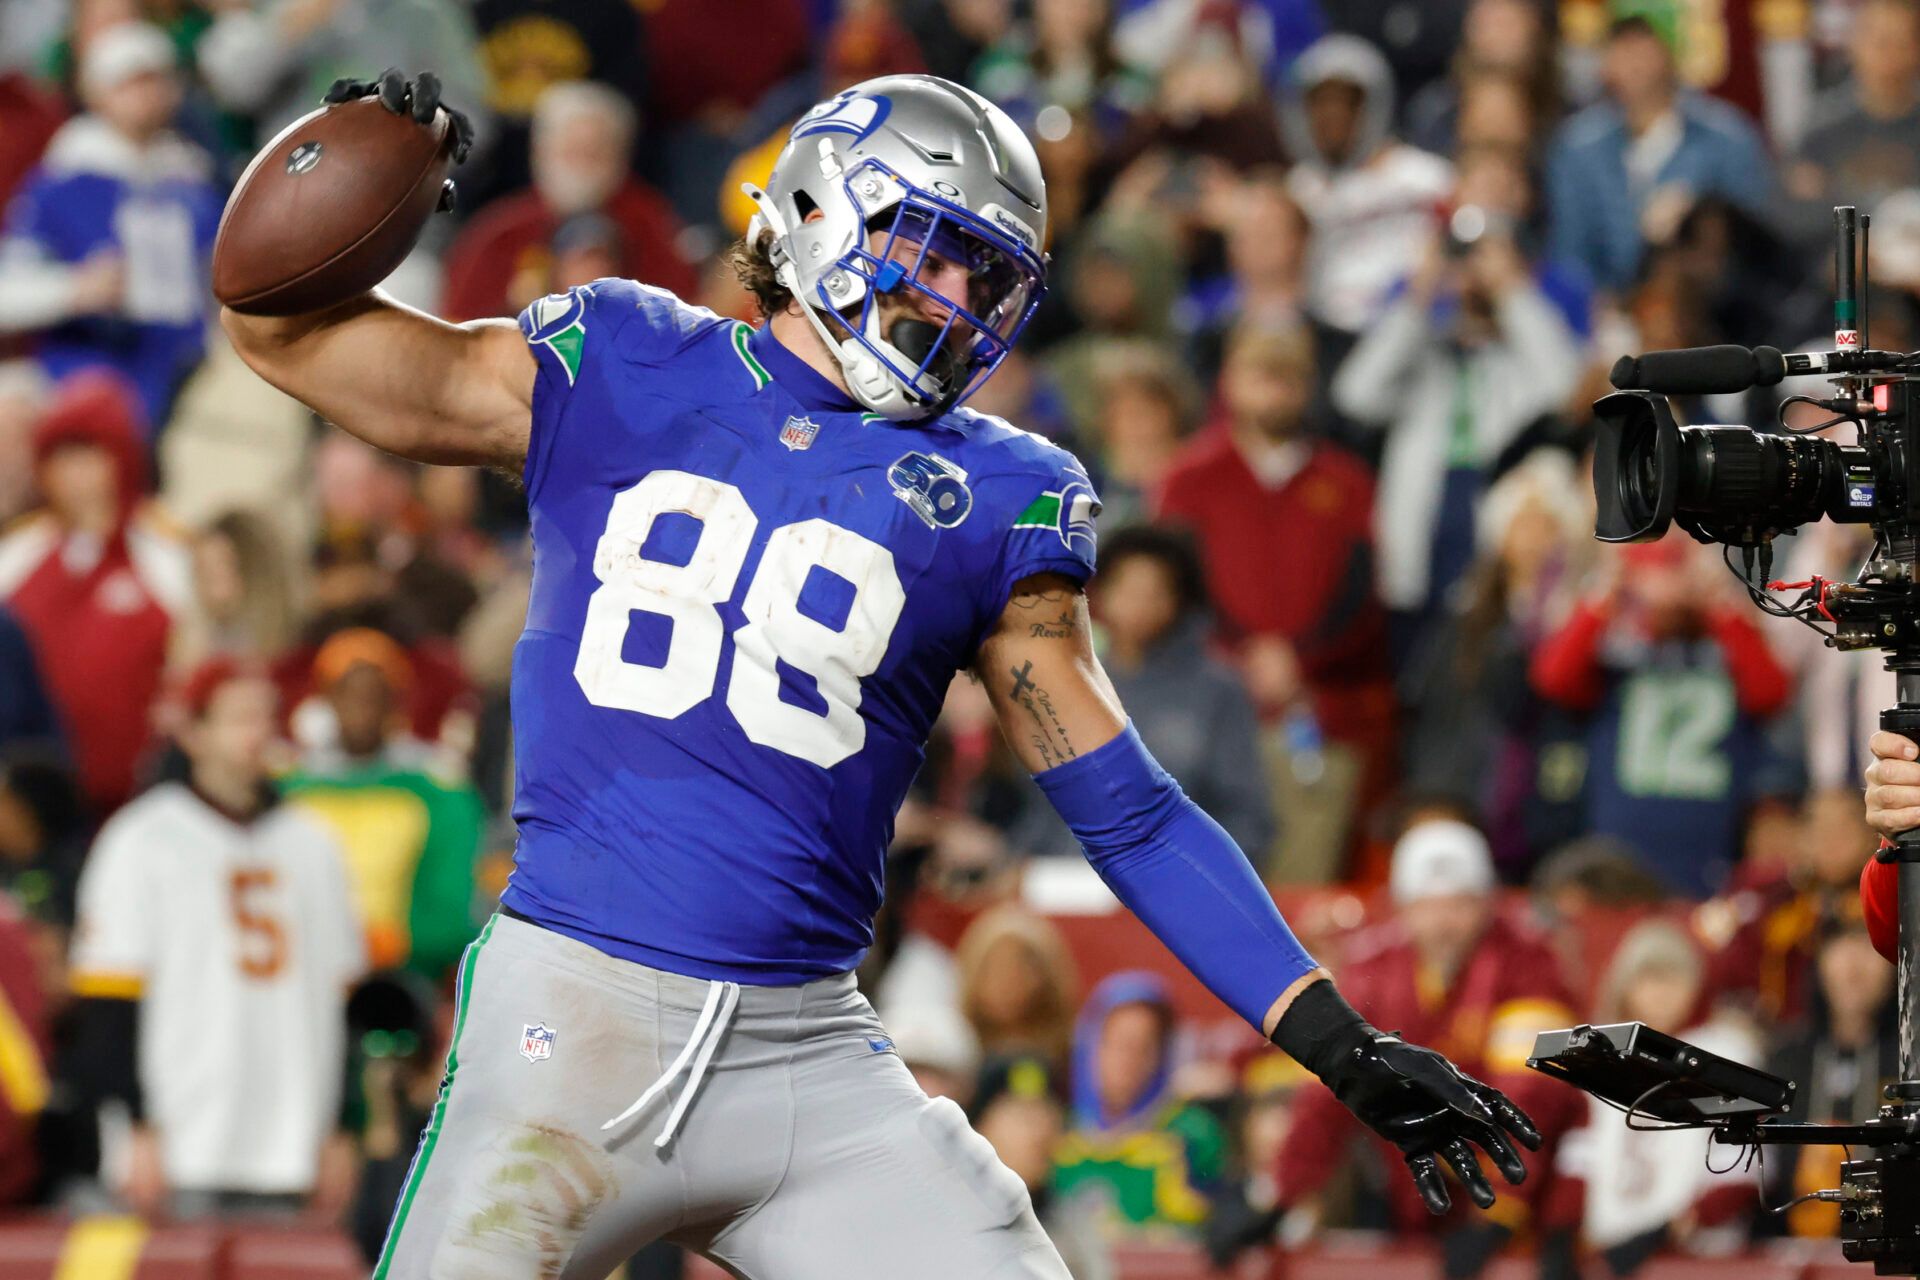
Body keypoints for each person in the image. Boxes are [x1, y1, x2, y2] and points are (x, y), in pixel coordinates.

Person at [221, 70, 1539, 1278]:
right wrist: (347, 172)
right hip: (570, 1021)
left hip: (805, 1059)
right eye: (938, 252)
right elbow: (284, 332)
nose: (959, 304)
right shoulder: (618, 360)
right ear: (818, 206)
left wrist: (1333, 1040)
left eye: (992, 280)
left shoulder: (1003, 490)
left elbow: (1126, 808)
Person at [65, 658, 365, 1218]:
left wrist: (343, 1128)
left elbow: (345, 1003)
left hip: (291, 1144)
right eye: (239, 718)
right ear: (194, 731)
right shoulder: (142, 838)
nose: (258, 733)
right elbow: (109, 1004)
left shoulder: (314, 842)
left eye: (265, 716)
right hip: (182, 1143)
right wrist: (134, 1126)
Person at [1276, 818, 1581, 1251]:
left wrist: (1501, 1213)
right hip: (1417, 1194)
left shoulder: (1527, 964)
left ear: (1486, 904)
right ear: (1403, 909)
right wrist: (1284, 1195)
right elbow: (1331, 1086)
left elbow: (1529, 1094)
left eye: (1459, 905)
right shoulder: (1373, 970)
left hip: (1529, 1200)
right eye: (1428, 906)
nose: (1444, 923)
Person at [0, 22, 222, 430]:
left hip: (187, 377)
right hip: (89, 376)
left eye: (155, 80)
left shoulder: (192, 180)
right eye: (129, 83)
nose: (145, 95)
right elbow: (6, 292)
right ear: (96, 93)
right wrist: (73, 289)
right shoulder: (61, 183)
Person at [0, 371, 190, 814]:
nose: (75, 475)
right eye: (62, 458)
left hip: (143, 796)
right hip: (33, 814)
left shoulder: (165, 558)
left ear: (121, 456)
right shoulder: (16, 557)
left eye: (90, 455)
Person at [281, 628, 485, 980]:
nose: (361, 708)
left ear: (395, 700)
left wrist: (397, 942)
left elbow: (454, 904)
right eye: (347, 693)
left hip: (401, 982)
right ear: (326, 699)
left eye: (374, 695)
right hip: (304, 973)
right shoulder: (289, 790)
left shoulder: (437, 792)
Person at [1544, 16, 1773, 293]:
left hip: (1709, 311)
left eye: (1645, 44)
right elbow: (1570, 255)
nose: (1635, 61)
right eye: (1622, 45)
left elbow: (1757, 248)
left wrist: (1697, 219)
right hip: (1603, 314)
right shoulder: (1576, 147)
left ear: (1671, 51)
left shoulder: (1728, 137)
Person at [440, 81, 696, 323]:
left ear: (622, 156)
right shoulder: (501, 233)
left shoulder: (651, 226)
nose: (583, 165)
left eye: (596, 152)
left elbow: (686, 319)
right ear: (540, 152)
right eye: (572, 151)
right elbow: (460, 333)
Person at [1053, 971, 1229, 1233]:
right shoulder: (1057, 1131)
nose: (1129, 1060)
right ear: (1089, 1045)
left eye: (1145, 1047)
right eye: (1117, 1043)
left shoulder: (1191, 1136)